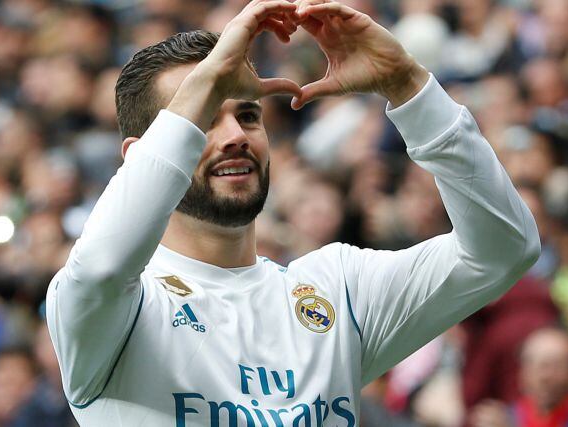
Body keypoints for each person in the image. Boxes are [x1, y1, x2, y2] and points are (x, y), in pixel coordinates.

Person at [45, 0, 541, 425]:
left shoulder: (338, 288)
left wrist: (409, 86)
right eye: (202, 117)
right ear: (141, 156)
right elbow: (103, 268)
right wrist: (208, 78)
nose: (235, 135)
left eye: (247, 114)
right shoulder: (108, 310)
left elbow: (502, 250)